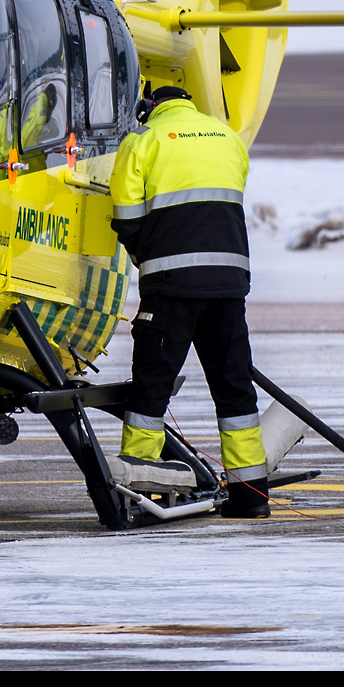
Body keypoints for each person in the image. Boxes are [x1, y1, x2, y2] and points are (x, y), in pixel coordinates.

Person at [107, 86, 270, 518]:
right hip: (229, 284)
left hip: (170, 285)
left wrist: (149, 255)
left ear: (149, 109)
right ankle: (251, 495)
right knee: (235, 389)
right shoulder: (226, 136)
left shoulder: (143, 141)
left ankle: (140, 490)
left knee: (151, 391)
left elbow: (125, 217)